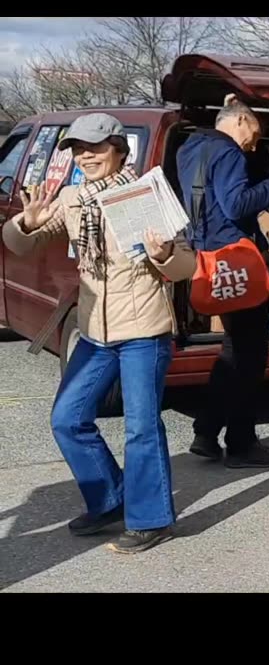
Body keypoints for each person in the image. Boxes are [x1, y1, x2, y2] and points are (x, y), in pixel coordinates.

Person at [3, 113, 196, 553]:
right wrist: (27, 223)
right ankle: (109, 498)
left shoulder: (145, 195)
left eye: (97, 148)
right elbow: (20, 244)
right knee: (68, 419)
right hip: (94, 331)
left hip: (143, 330)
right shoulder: (72, 199)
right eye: (78, 149)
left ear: (120, 151)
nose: (86, 156)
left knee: (141, 427)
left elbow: (186, 264)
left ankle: (151, 519)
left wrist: (164, 253)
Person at [178, 96, 269, 468]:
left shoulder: (190, 149)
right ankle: (242, 443)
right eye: (255, 133)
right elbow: (236, 205)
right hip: (237, 262)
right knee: (251, 356)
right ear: (241, 120)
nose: (255, 143)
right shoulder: (229, 153)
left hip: (207, 259)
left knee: (233, 350)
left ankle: (206, 430)